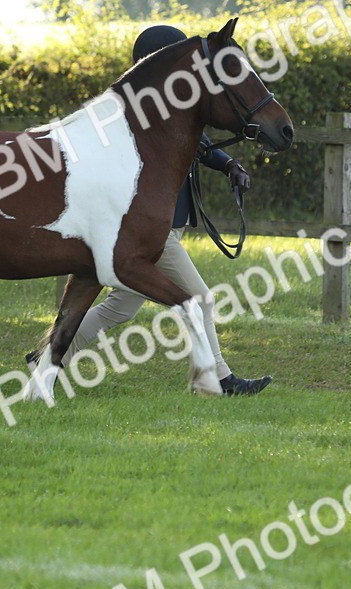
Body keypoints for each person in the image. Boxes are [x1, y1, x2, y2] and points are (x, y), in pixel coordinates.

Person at [27, 25, 273, 396]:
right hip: (144, 231)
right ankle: (218, 378)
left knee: (119, 308)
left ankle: (46, 357)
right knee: (199, 299)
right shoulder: (140, 113)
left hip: (161, 227)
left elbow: (202, 144)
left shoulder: (168, 109)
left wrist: (227, 164)